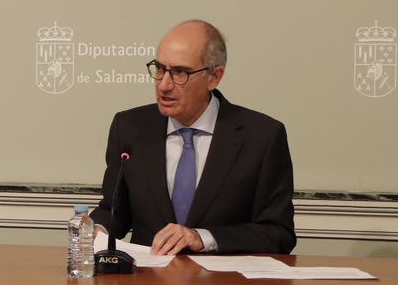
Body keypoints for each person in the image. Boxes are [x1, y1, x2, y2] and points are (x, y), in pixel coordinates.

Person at [90, 20, 296, 255]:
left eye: (180, 72)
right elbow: (115, 211)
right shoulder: (129, 128)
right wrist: (97, 230)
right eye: (159, 69)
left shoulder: (261, 137)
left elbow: (278, 234)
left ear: (214, 77)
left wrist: (203, 238)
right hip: (146, 283)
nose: (164, 85)